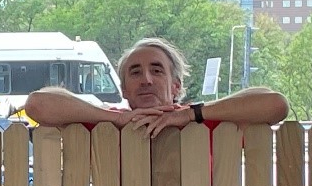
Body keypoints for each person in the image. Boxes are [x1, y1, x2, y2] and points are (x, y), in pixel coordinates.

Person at [23, 36, 287, 134]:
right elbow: (37, 104)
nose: (146, 79)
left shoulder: (207, 122)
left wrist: (192, 114)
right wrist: (117, 120)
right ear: (124, 89)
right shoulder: (104, 122)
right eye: (135, 72)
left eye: (157, 70)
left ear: (175, 86)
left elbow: (275, 105)